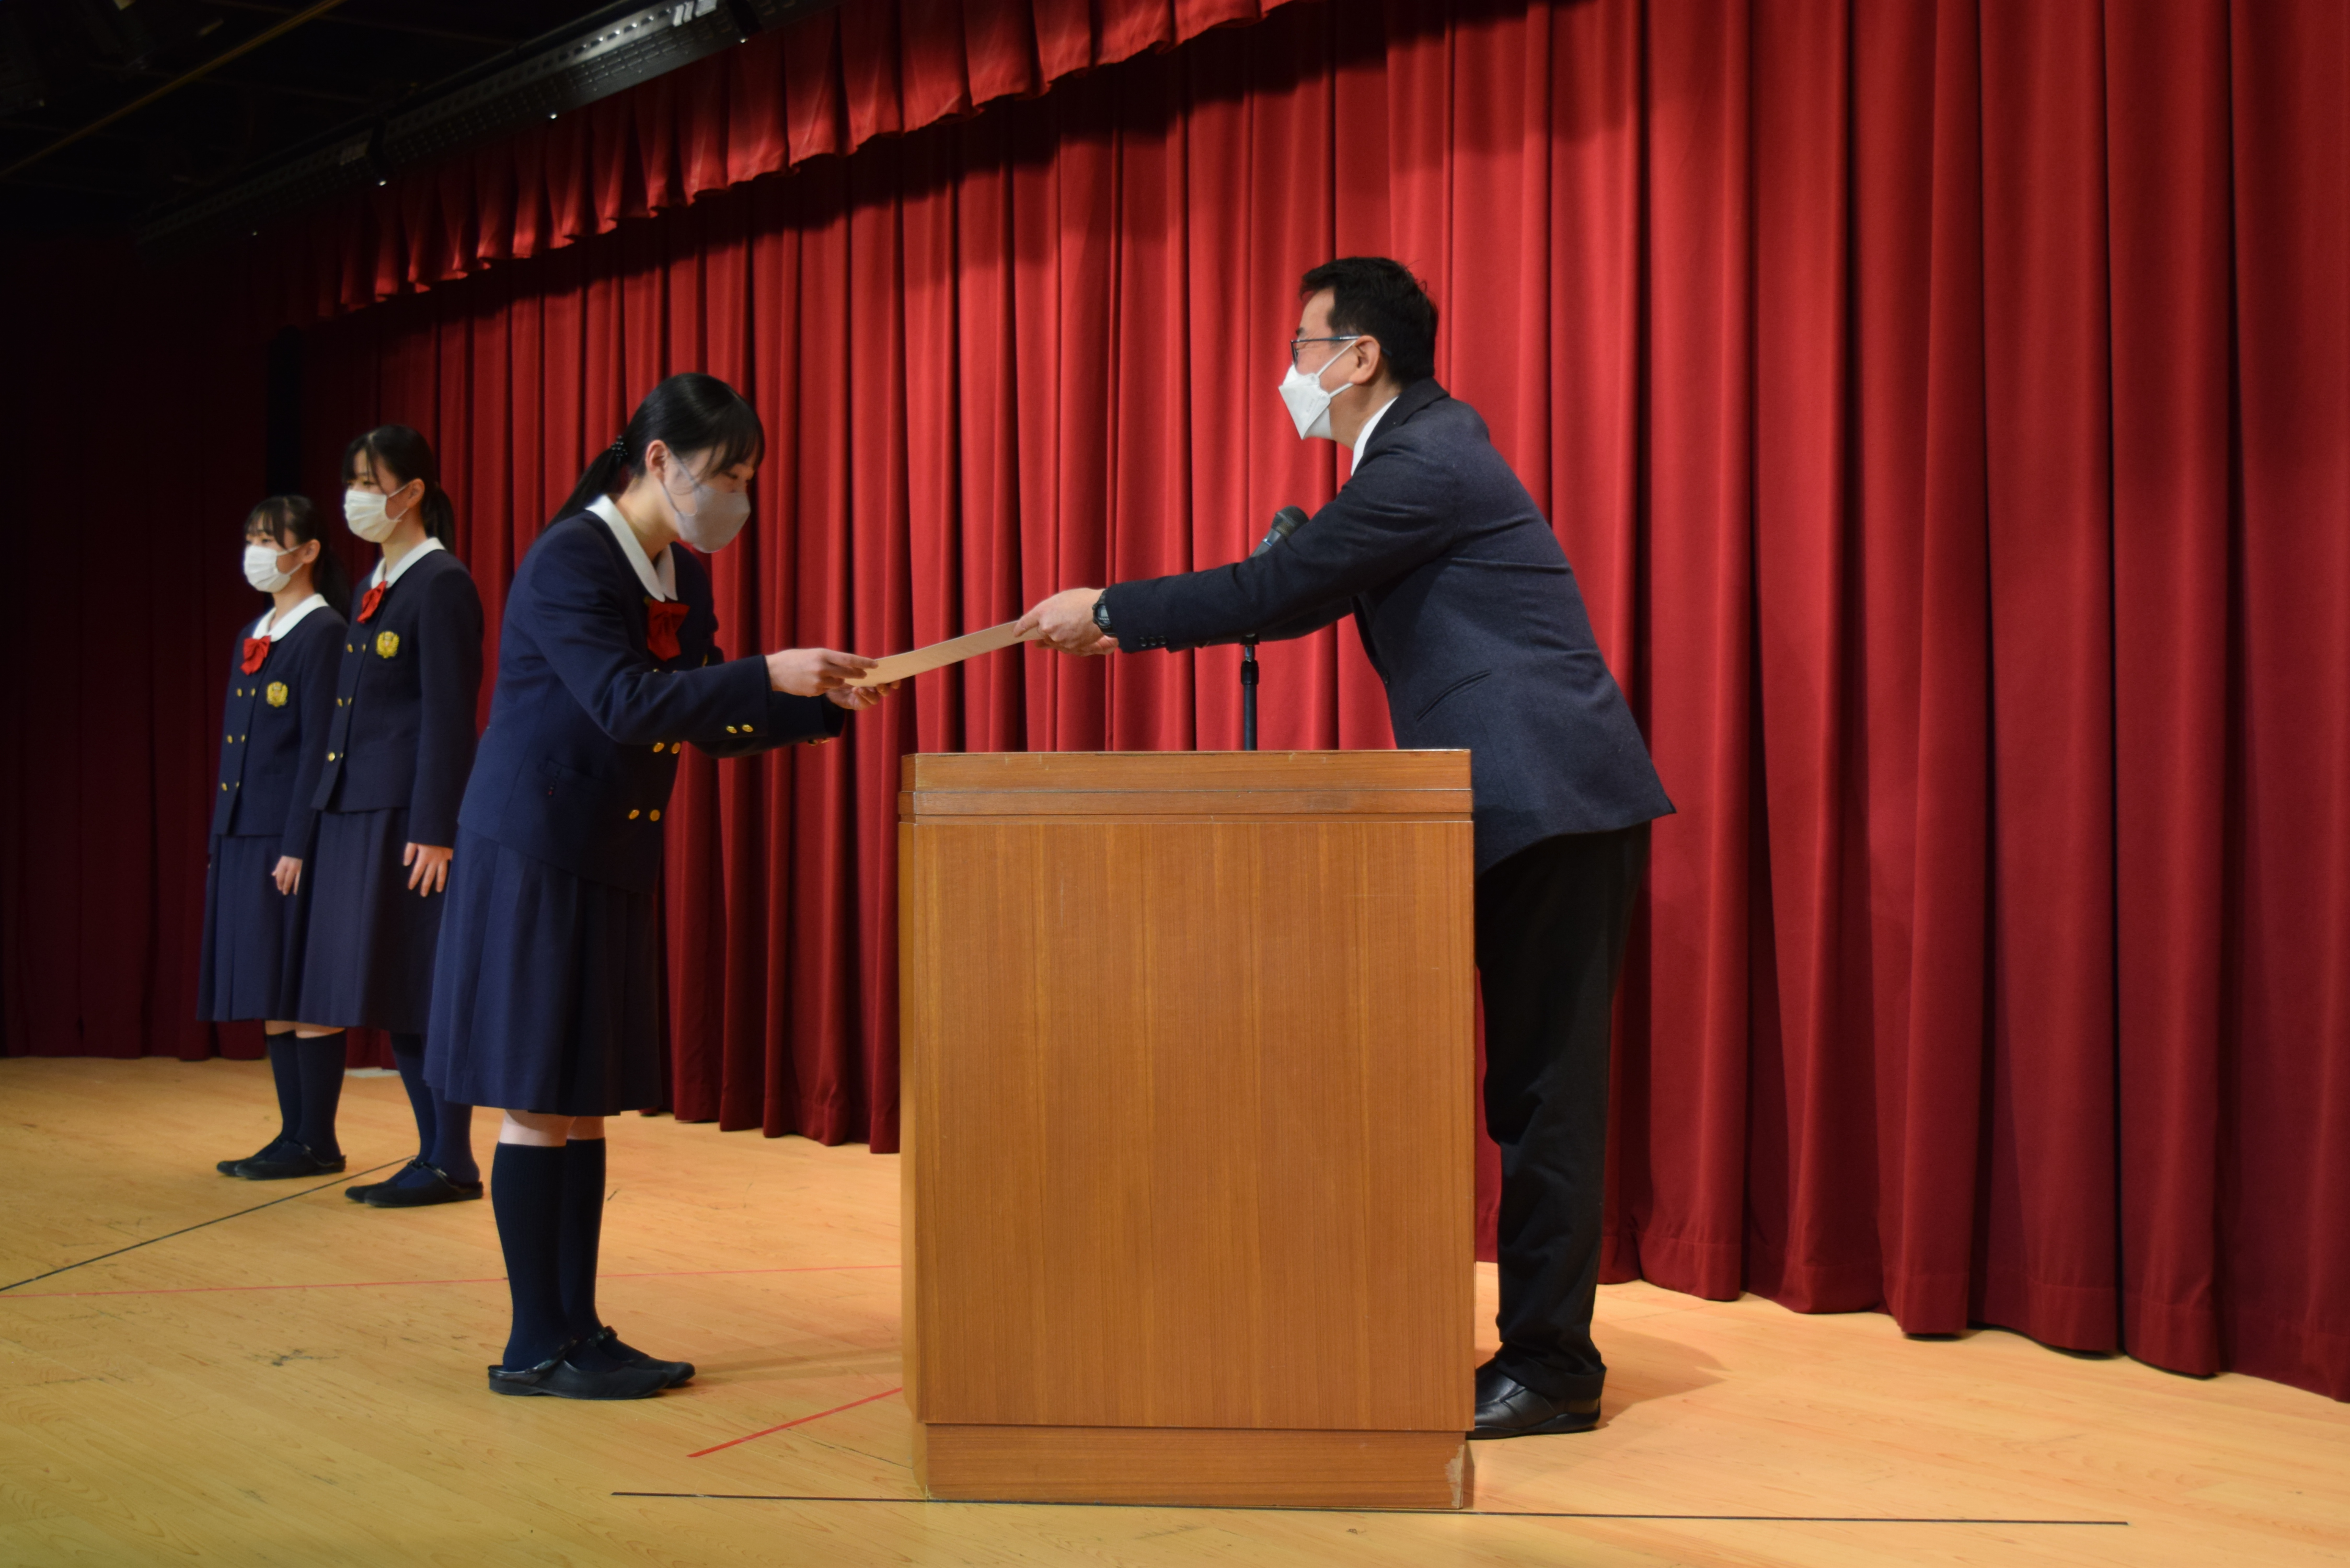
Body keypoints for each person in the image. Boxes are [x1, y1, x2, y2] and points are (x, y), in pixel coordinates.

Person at [1017, 257, 1674, 1439]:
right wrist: (1137, 622)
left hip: (1550, 803)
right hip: (1530, 806)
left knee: (1544, 1101)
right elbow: (1304, 589)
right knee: (1519, 1095)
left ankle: (1553, 1369)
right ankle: (1521, 1348)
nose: (1291, 370)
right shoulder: (1417, 459)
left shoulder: (1425, 459)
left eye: (1302, 347)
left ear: (1359, 356)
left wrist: (1111, 609)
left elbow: (1282, 583)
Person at [426, 372, 885, 1400]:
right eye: (730, 475)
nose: (739, 498)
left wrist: (819, 705)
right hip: (536, 852)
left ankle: (580, 1329)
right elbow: (627, 703)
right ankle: (533, 1346)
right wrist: (768, 673)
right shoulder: (570, 558)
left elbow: (702, 715)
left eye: (750, 480)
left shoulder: (677, 572)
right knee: (538, 1103)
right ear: (661, 461)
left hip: (606, 851)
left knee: (583, 1103)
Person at [296, 426, 488, 1206]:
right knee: (391, 988)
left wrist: (437, 827)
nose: (353, 497)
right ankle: (435, 1154)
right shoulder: (378, 583)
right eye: (349, 481)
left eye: (367, 483)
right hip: (359, 810)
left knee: (418, 985)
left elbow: (448, 714)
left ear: (411, 493)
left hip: (410, 817)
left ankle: (451, 1160)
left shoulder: (440, 582)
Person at [206, 497, 355, 1180]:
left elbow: (320, 749)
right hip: (245, 832)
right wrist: (224, 834)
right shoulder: (255, 631)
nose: (257, 552)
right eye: (252, 539)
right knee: (269, 985)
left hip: (288, 838)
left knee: (303, 985)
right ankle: (292, 1133)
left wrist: (298, 842)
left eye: (270, 540)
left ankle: (316, 1139)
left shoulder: (322, 631)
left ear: (309, 551)